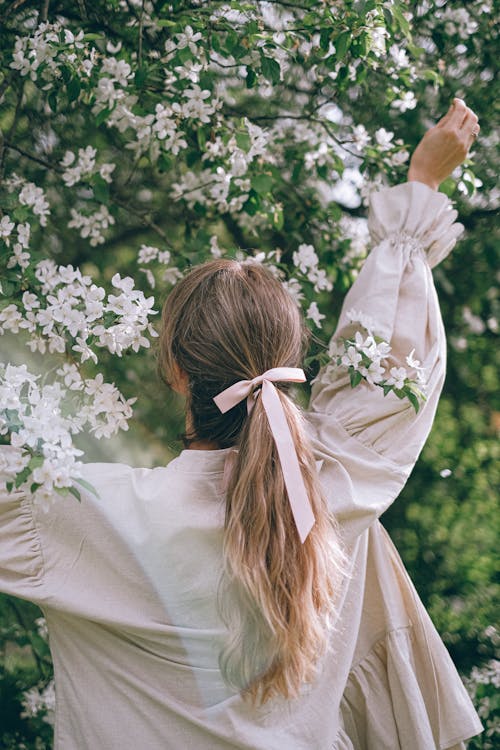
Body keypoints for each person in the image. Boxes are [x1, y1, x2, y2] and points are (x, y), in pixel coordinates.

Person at [0, 99, 484, 749]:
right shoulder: (338, 488)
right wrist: (421, 184)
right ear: (288, 364)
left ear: (175, 369)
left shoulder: (84, 516)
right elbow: (394, 374)